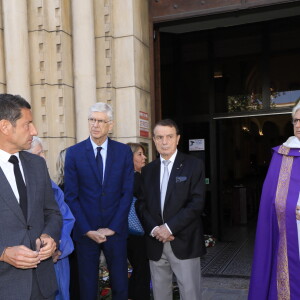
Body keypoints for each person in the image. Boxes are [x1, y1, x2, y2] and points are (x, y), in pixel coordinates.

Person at [64, 102, 134, 300]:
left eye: (100, 121)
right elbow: (71, 196)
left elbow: (127, 193)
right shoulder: (74, 153)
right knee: (87, 288)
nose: (95, 125)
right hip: (86, 233)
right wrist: (87, 229)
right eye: (92, 120)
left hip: (115, 231)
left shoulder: (122, 152)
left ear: (110, 125)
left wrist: (112, 227)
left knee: (120, 285)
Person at [0, 93, 62, 300]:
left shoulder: (37, 164)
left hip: (41, 285)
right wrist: (3, 253)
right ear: (5, 127)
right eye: (28, 124)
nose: (34, 131)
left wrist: (49, 236)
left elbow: (52, 212)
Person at [136, 119, 206, 300]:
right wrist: (155, 229)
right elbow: (141, 205)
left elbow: (196, 203)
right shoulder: (148, 170)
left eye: (169, 136)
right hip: (155, 242)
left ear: (178, 139)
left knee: (190, 294)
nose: (164, 141)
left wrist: (169, 228)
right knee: (160, 295)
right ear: (154, 140)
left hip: (184, 241)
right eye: (159, 137)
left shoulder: (193, 165)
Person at [248, 103, 300, 299]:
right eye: (296, 120)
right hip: (287, 234)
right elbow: (270, 198)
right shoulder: (281, 155)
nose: (298, 125)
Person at [28, 137, 75, 300]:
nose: (43, 157)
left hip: (57, 258)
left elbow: (67, 219)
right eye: (38, 153)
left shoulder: (52, 186)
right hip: (33, 261)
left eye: (43, 152)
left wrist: (57, 247)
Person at [127, 143, 151, 300]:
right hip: (139, 231)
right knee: (142, 270)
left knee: (137, 269)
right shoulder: (136, 177)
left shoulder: (122, 176)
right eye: (140, 154)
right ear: (130, 157)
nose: (145, 157)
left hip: (127, 232)